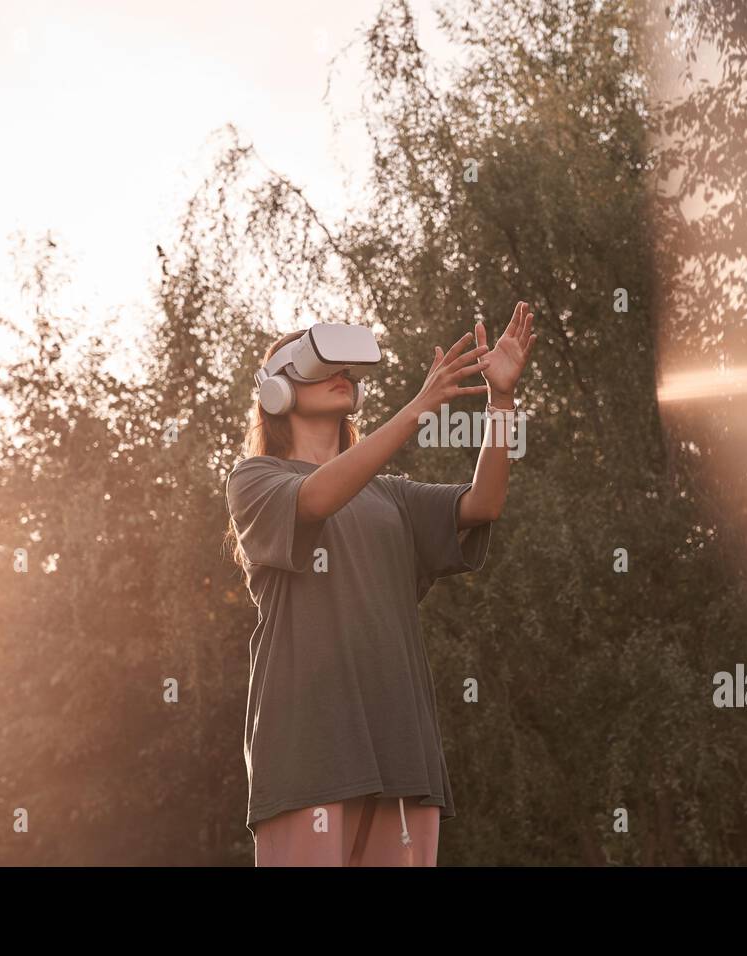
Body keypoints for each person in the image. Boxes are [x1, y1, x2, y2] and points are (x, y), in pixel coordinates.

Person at [225, 302, 536, 866]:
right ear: (276, 393)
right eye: (324, 369)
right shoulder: (255, 480)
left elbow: (483, 503)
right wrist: (419, 408)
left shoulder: (388, 494)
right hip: (309, 752)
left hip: (402, 751)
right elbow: (317, 497)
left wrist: (502, 401)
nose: (344, 378)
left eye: (350, 371)